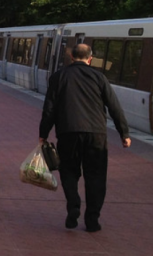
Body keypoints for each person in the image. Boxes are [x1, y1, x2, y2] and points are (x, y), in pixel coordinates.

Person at [39, 43, 130, 232]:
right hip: (96, 133)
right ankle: (92, 220)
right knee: (96, 176)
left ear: (71, 57)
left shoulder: (59, 77)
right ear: (90, 59)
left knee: (69, 171)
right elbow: (114, 107)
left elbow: (49, 109)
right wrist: (124, 133)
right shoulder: (99, 77)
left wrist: (43, 133)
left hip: (68, 132)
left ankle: (73, 205)